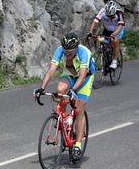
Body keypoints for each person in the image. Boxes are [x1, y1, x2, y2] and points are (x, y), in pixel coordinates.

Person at [34, 32, 95, 161]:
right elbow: (51, 70)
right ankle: (63, 119)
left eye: (70, 52)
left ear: (76, 49)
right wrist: (42, 88)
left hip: (85, 78)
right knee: (60, 90)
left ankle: (77, 145)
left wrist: (73, 90)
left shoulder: (84, 53)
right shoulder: (59, 51)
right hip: (70, 74)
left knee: (79, 108)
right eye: (65, 51)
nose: (67, 54)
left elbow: (83, 75)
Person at [88, 0, 125, 69]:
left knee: (115, 41)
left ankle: (114, 61)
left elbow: (120, 26)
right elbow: (95, 22)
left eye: (111, 16)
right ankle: (107, 58)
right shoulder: (103, 11)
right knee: (103, 43)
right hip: (107, 29)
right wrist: (90, 32)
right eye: (108, 16)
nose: (110, 17)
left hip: (118, 30)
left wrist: (113, 35)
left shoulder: (119, 13)